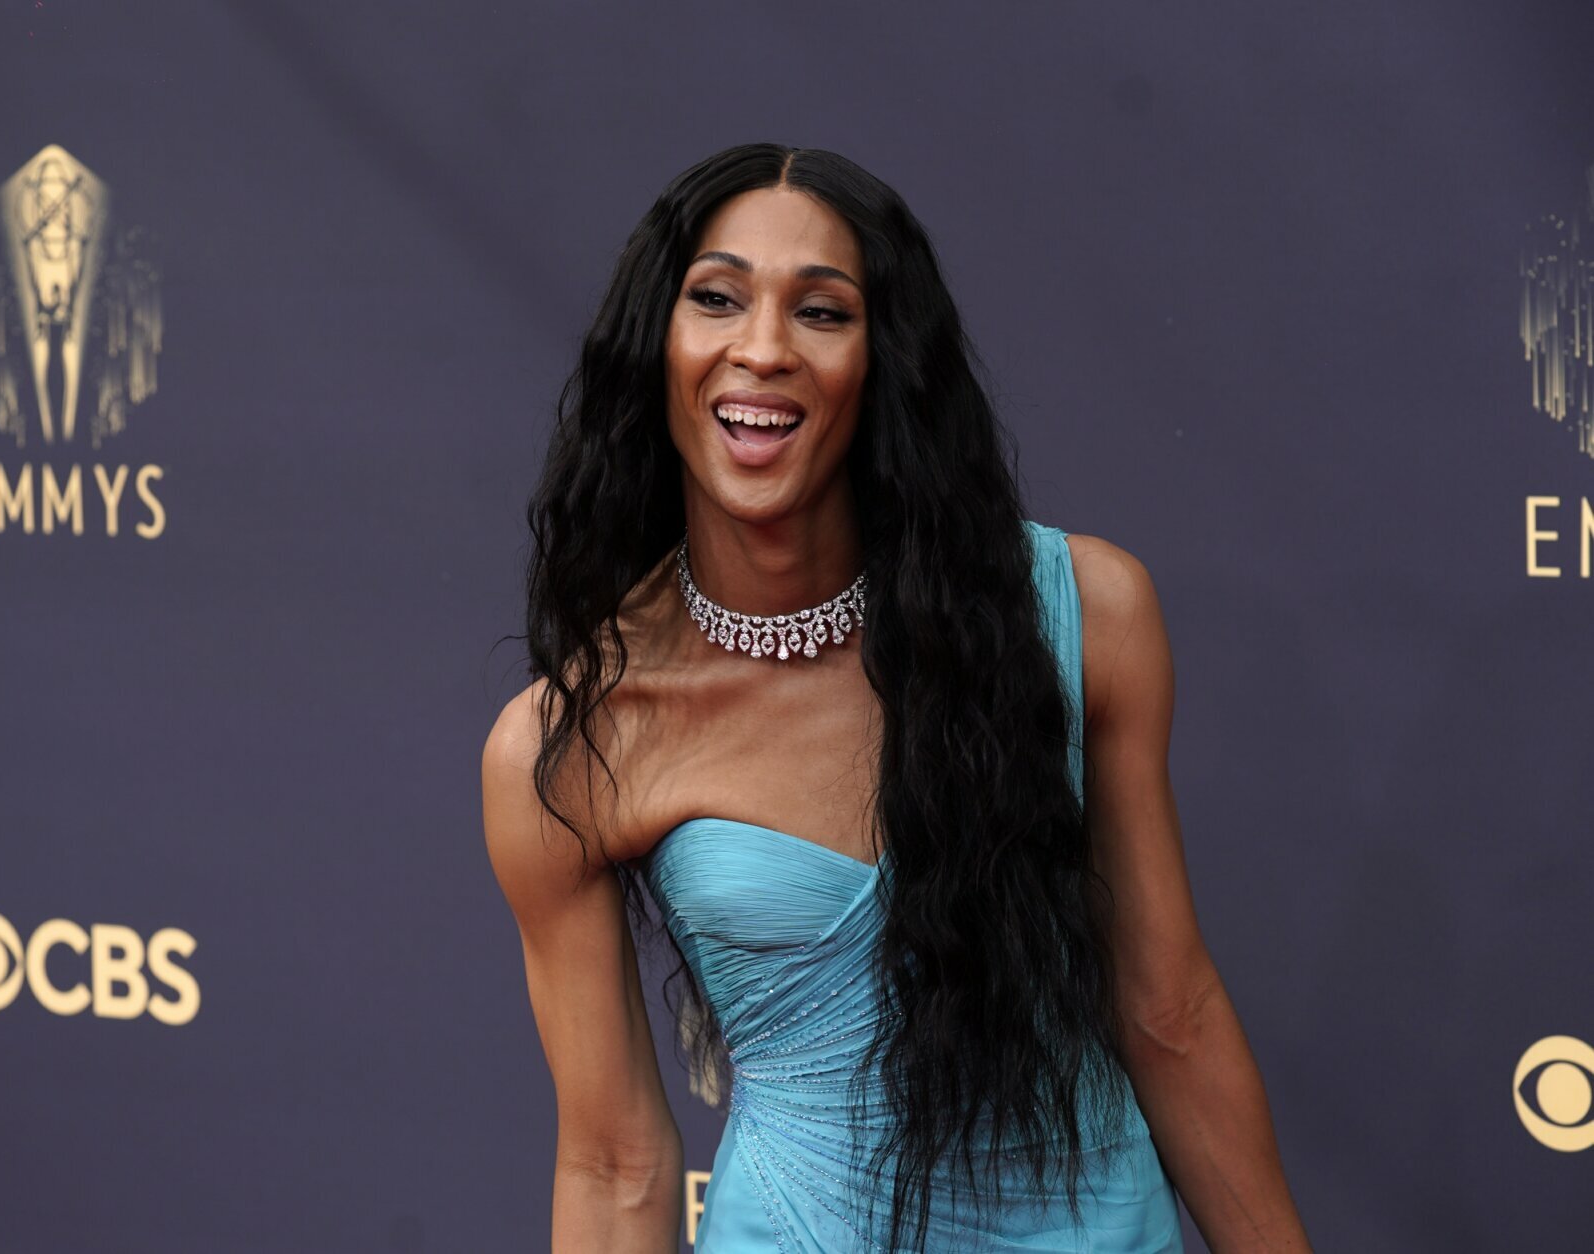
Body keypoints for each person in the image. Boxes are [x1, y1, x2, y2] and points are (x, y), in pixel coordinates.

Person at [482, 143, 1311, 1254]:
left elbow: (1168, 1014)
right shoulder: (569, 743)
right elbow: (613, 1162)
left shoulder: (1080, 616)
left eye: (821, 312)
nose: (761, 348)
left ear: (884, 362)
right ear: (654, 345)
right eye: (716, 298)